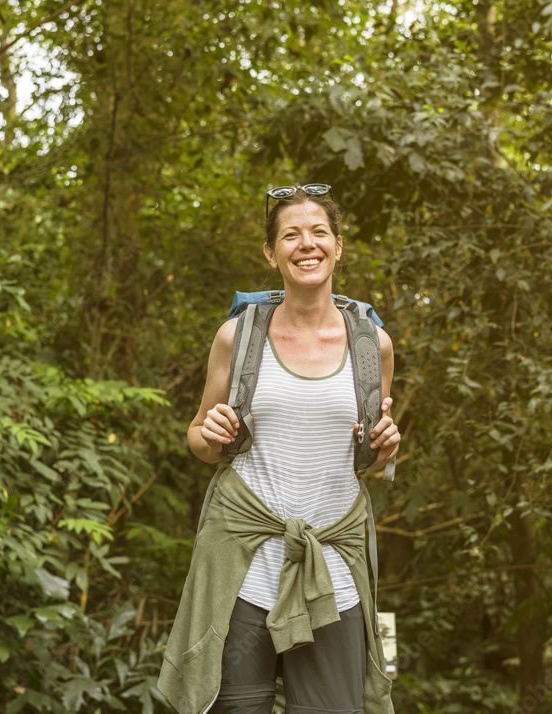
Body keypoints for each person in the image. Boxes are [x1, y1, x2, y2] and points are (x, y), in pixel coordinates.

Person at [158, 183, 399, 714]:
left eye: (318, 232)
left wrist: (385, 449)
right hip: (244, 565)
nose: (305, 244)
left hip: (333, 565)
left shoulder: (372, 345)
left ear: (338, 245)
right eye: (291, 234)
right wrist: (211, 432)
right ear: (271, 253)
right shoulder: (237, 337)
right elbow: (199, 437)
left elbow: (375, 462)